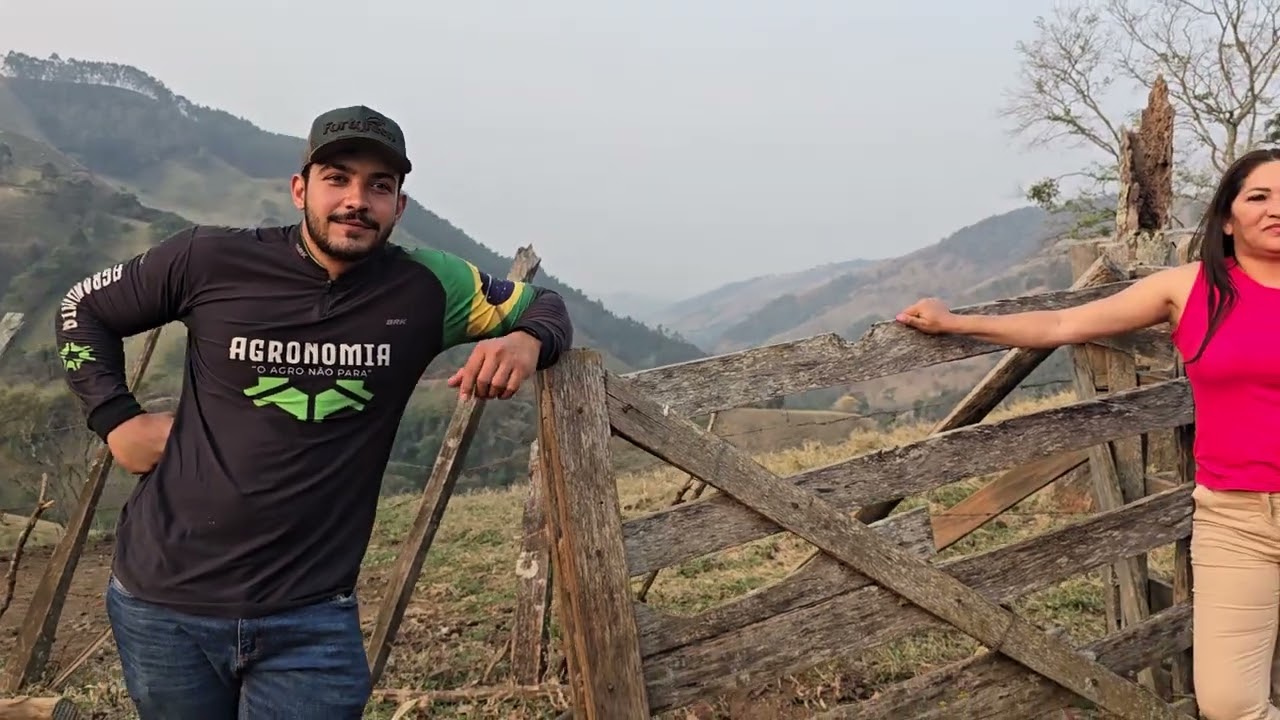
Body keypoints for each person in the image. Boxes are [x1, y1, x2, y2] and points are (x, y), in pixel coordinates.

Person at [52, 105, 573, 719]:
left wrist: (525, 341)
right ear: (301, 188)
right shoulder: (209, 260)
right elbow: (83, 305)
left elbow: (545, 305)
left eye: (380, 186)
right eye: (338, 178)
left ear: (399, 207)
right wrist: (115, 417)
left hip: (311, 618)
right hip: (163, 606)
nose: (357, 200)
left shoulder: (431, 287)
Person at [895, 146, 1280, 720]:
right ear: (1228, 216)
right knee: (1229, 704)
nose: (1276, 209)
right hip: (1237, 519)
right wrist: (956, 321)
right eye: (1259, 196)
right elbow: (1062, 323)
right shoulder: (1190, 288)